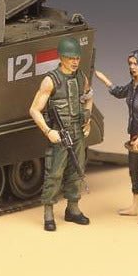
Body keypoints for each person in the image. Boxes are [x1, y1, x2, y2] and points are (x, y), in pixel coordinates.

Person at [28, 36, 93, 231]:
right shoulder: (51, 80)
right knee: (54, 173)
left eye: (77, 58)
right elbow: (34, 110)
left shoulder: (81, 77)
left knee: (76, 170)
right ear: (61, 57)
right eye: (70, 58)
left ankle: (73, 209)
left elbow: (89, 96)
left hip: (77, 132)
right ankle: (48, 212)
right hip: (60, 135)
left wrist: (88, 119)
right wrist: (48, 131)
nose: (75, 62)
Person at [95, 50, 138, 225]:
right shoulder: (132, 86)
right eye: (130, 64)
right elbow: (118, 92)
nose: (132, 67)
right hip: (133, 137)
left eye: (135, 63)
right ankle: (134, 207)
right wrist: (103, 79)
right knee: (133, 171)